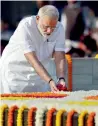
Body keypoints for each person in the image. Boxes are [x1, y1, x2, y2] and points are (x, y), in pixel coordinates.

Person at [0, 5, 67, 93]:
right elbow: (32, 59)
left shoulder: (59, 28)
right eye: (46, 27)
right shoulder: (26, 26)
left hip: (38, 76)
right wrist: (50, 80)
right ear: (38, 18)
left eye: (53, 28)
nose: (49, 31)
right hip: (14, 72)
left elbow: (60, 56)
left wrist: (61, 78)